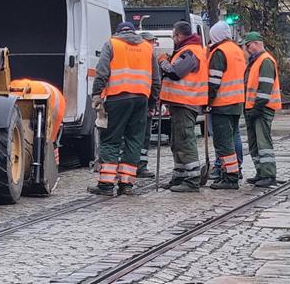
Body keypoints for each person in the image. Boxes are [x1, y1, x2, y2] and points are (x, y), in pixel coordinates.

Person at [88, 22, 161, 196]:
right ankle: (126, 183)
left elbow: (102, 72)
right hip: (141, 100)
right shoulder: (147, 48)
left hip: (117, 98)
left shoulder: (112, 44)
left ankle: (106, 184)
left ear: (118, 32)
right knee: (134, 140)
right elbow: (156, 80)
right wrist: (151, 103)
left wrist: (97, 94)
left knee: (111, 139)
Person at [158, 21, 208, 193]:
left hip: (186, 102)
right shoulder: (187, 50)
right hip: (180, 102)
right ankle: (180, 176)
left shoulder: (191, 52)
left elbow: (176, 72)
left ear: (178, 35)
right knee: (177, 141)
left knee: (185, 140)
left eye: (173, 36)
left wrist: (163, 61)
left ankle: (192, 179)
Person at [204, 21, 246, 190]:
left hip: (222, 103)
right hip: (237, 102)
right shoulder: (237, 50)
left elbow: (214, 81)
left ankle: (230, 177)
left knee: (223, 142)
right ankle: (232, 172)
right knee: (233, 137)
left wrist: (207, 101)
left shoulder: (219, 52)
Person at [242, 32, 282, 187]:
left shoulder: (265, 61)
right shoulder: (256, 61)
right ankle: (261, 172)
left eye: (248, 45)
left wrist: (256, 108)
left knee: (263, 142)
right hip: (254, 108)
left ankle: (268, 174)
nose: (247, 49)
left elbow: (265, 88)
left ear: (257, 43)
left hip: (261, 109)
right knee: (255, 143)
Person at [136, 31, 158, 179]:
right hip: (144, 101)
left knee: (131, 136)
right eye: (151, 42)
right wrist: (152, 104)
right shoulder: (150, 55)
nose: (152, 45)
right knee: (143, 136)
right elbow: (156, 82)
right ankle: (140, 167)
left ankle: (129, 166)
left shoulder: (129, 53)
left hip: (126, 99)